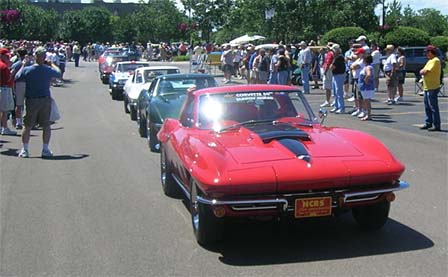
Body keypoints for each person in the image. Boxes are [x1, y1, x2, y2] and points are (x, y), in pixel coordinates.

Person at [14, 47, 62, 158]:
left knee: (27, 125)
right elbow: (59, 73)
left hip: (31, 100)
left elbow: (17, 76)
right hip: (44, 100)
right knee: (46, 125)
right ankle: (45, 149)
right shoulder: (47, 70)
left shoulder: (28, 70)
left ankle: (25, 149)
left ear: (35, 56)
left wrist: (23, 65)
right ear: (44, 57)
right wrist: (52, 64)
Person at [419, 45, 442, 132]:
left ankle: (436, 125)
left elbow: (425, 71)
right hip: (427, 86)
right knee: (427, 106)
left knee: (433, 106)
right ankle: (428, 122)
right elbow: (422, 70)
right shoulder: (430, 61)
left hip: (432, 86)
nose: (426, 54)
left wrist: (422, 71)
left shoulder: (435, 60)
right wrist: (422, 71)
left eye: (428, 52)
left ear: (432, 52)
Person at [10, 48, 30, 130]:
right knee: (28, 103)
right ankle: (28, 120)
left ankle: (19, 122)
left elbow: (12, 76)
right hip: (28, 83)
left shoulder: (16, 64)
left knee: (18, 104)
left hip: (18, 84)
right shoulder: (29, 64)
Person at [0, 48, 16, 135]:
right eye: (6, 56)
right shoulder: (3, 66)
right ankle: (4, 127)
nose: (8, 57)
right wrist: (12, 73)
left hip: (2, 88)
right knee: (4, 110)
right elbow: (8, 80)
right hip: (4, 88)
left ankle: (2, 127)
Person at [350, 47, 366, 117]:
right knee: (356, 95)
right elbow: (351, 66)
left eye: (359, 53)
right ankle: (358, 109)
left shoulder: (363, 61)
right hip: (355, 79)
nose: (358, 55)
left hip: (360, 79)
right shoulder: (358, 60)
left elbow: (355, 67)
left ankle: (363, 110)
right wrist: (353, 67)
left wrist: (353, 67)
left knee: (361, 96)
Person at [358, 55, 375, 121]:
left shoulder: (368, 67)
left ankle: (368, 115)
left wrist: (365, 80)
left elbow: (368, 74)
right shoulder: (366, 67)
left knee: (367, 101)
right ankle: (367, 114)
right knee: (366, 100)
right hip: (364, 87)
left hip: (367, 87)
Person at [330, 44, 345, 114]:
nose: (332, 51)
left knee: (339, 92)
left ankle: (341, 107)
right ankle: (336, 106)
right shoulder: (335, 57)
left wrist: (331, 66)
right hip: (335, 75)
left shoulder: (339, 57)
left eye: (333, 50)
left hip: (339, 75)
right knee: (335, 92)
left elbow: (332, 67)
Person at [320, 42, 334, 107]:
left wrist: (325, 71)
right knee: (329, 86)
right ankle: (329, 101)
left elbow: (328, 63)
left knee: (328, 87)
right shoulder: (330, 53)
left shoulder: (330, 54)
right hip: (328, 70)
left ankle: (327, 101)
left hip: (328, 71)